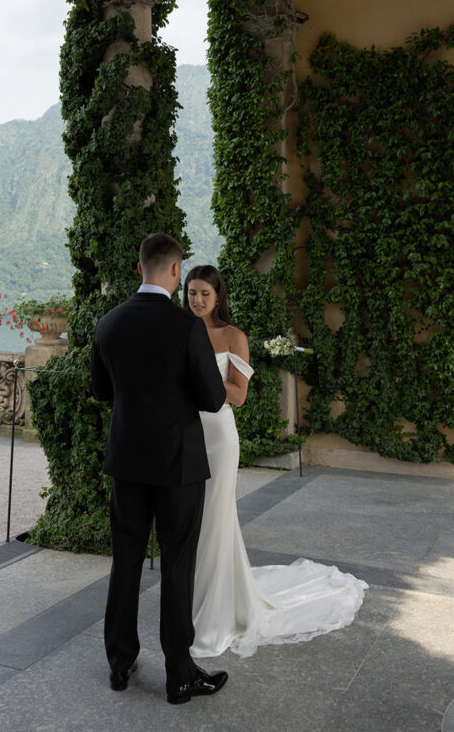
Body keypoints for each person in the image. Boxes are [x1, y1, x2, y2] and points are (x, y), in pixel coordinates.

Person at [183, 264, 368, 659]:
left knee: (215, 517)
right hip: (183, 434)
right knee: (189, 519)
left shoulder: (233, 336)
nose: (197, 300)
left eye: (204, 294)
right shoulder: (178, 329)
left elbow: (238, 394)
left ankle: (213, 615)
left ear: (218, 297)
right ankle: (194, 601)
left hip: (218, 436)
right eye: (191, 292)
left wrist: (200, 374)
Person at [90, 234, 229, 704]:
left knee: (125, 562)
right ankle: (178, 675)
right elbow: (213, 398)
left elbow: (102, 391)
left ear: (139, 267)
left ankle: (119, 662)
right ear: (176, 272)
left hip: (127, 462)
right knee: (177, 565)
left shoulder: (108, 323)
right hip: (179, 463)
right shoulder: (186, 327)